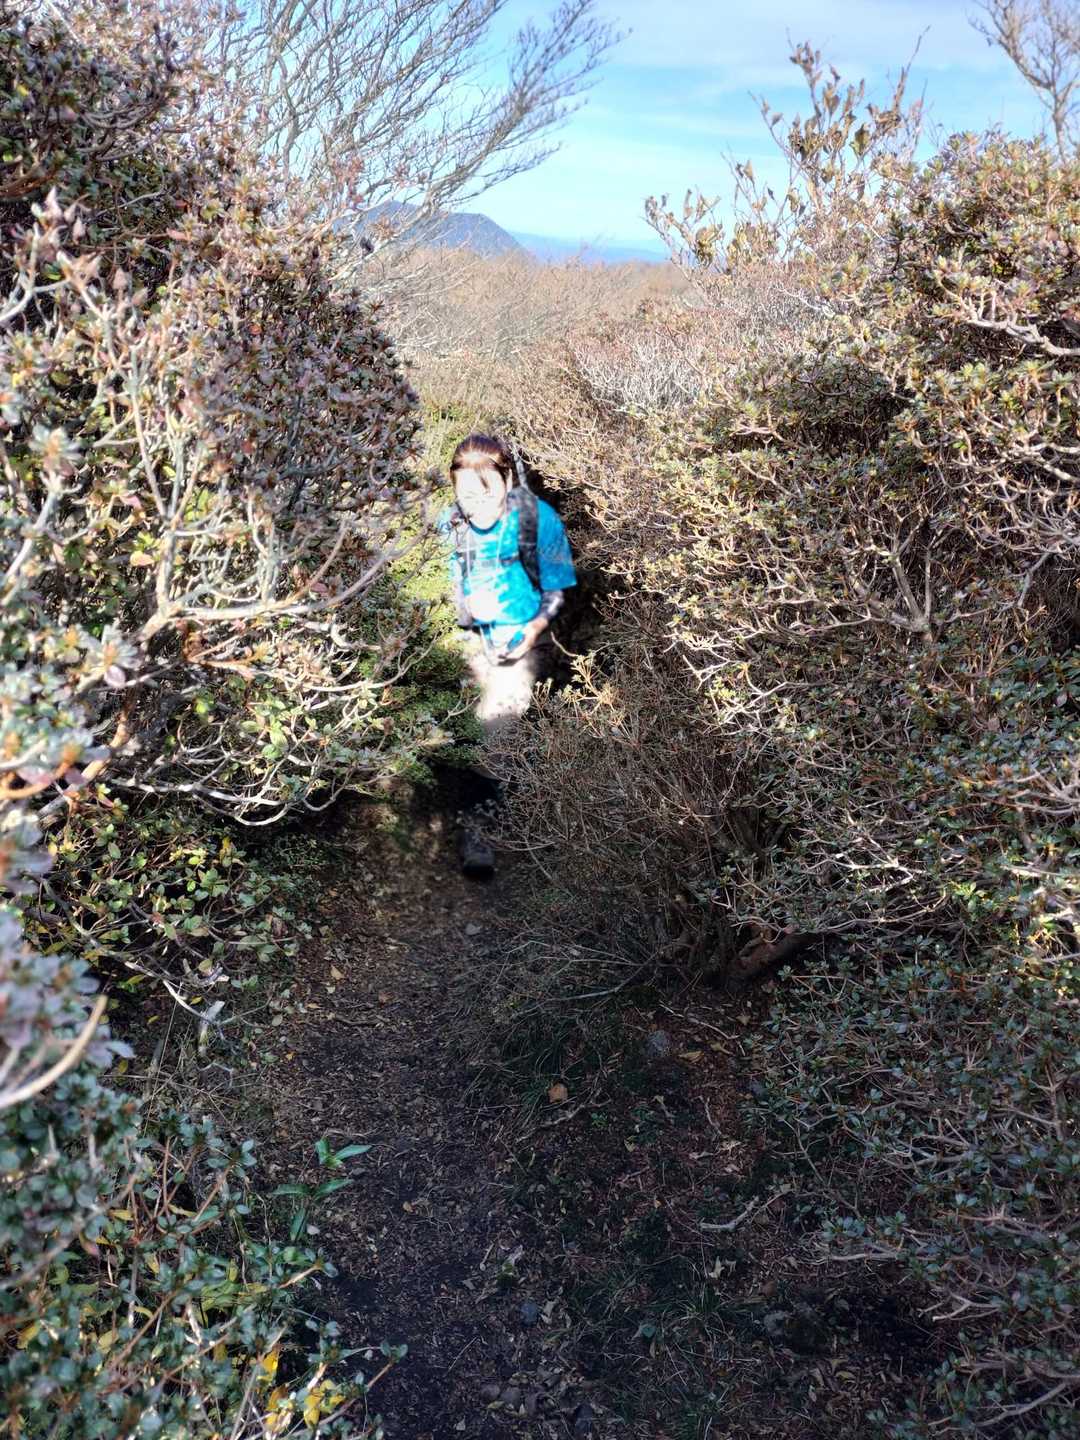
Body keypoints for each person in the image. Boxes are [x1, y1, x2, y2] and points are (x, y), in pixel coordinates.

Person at [438, 433, 576, 877]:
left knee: (496, 731)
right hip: (461, 639)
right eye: (466, 492)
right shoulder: (448, 523)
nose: (477, 503)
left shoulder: (537, 519)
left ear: (509, 480)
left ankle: (480, 829)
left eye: (488, 490)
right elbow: (437, 586)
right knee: (464, 729)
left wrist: (532, 629)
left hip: (517, 644)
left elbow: (556, 591)